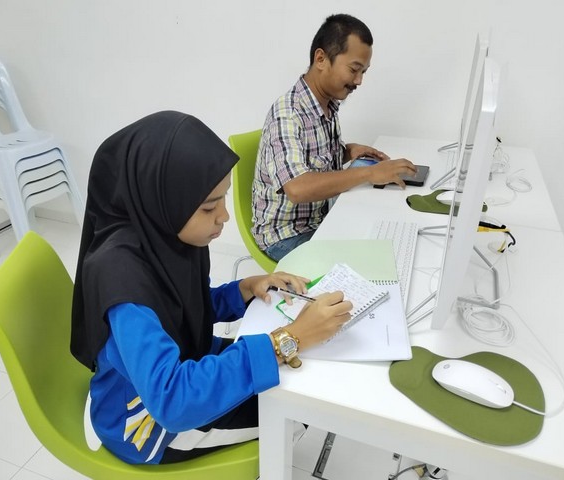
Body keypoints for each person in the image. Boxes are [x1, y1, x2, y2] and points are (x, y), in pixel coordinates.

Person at [70, 111, 352, 465]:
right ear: (163, 201)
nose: (224, 216)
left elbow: (183, 308)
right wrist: (287, 339)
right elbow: (172, 402)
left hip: (184, 366)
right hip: (148, 423)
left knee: (299, 378)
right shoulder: (122, 284)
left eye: (223, 198)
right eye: (208, 207)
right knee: (301, 406)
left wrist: (245, 288)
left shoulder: (164, 237)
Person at [252, 14, 417, 261]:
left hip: (320, 220)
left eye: (363, 72)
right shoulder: (287, 114)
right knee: (367, 263)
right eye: (354, 69)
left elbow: (314, 158)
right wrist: (370, 173)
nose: (359, 81)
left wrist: (348, 151)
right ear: (321, 59)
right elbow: (297, 187)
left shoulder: (327, 105)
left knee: (385, 234)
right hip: (286, 235)